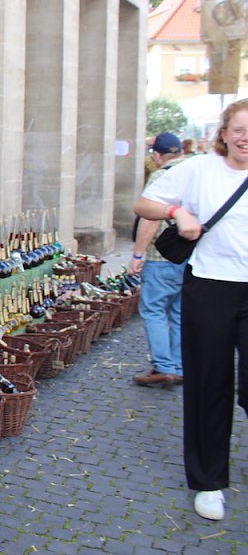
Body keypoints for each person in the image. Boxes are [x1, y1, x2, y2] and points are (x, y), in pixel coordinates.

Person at [134, 98, 248, 522]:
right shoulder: (199, 169)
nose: (245, 138)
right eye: (238, 129)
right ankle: (209, 481)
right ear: (224, 134)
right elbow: (144, 204)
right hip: (211, 286)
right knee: (208, 385)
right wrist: (176, 210)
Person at [129, 132, 188, 387]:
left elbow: (150, 219)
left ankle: (164, 367)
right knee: (179, 312)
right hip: (189, 256)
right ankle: (179, 365)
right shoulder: (195, 173)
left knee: (153, 310)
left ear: (157, 155)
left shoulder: (162, 175)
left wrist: (137, 254)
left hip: (161, 256)